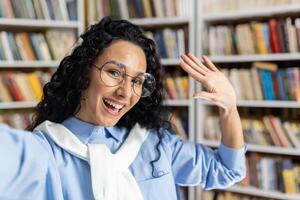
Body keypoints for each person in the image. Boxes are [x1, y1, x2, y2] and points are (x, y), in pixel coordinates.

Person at [0, 17, 246, 200]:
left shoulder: (156, 144)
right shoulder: (47, 152)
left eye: (137, 81)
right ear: (85, 71)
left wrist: (229, 109)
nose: (125, 93)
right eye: (114, 72)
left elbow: (226, 170)